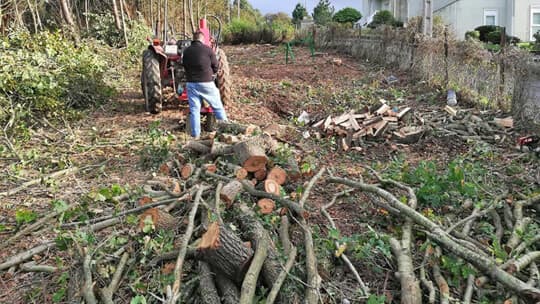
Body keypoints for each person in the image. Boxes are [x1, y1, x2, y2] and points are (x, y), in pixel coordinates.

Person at [182, 31, 228, 138]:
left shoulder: (186, 51)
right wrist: (212, 74)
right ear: (203, 39)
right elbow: (216, 65)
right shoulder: (208, 50)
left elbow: (184, 65)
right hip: (206, 83)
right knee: (217, 107)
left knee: (194, 110)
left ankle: (195, 135)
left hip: (191, 84)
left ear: (193, 39)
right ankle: (227, 131)